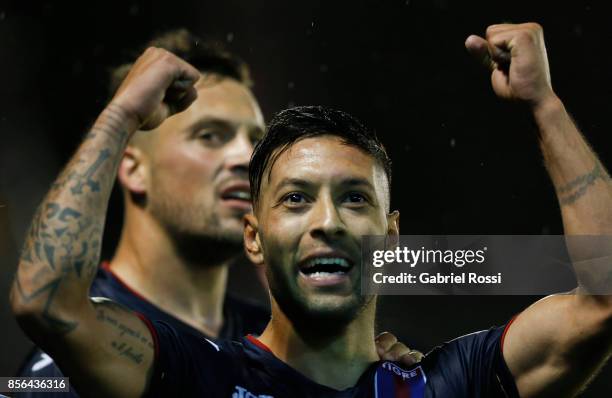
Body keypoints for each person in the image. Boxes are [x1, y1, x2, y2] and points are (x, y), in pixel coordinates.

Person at [12, 22, 611, 397]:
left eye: (354, 198)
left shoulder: (438, 380)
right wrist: (119, 118)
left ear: (392, 236)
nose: (327, 221)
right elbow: (44, 302)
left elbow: (603, 295)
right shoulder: (197, 374)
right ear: (255, 233)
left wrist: (544, 105)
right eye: (296, 199)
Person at [12, 29, 420, 397]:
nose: (246, 159)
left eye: (255, 141)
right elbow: (44, 302)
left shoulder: (275, 340)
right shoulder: (63, 364)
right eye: (210, 136)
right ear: (134, 167)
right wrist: (120, 118)